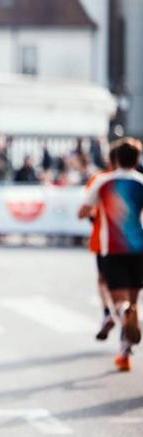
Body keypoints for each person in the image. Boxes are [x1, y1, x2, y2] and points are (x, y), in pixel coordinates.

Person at [79, 137, 143, 371]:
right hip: (138, 248)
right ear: (137, 159)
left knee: (118, 299)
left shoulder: (103, 182)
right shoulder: (141, 182)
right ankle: (125, 353)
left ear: (114, 159)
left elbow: (83, 211)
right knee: (134, 298)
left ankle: (123, 313)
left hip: (111, 248)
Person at [84, 147, 118, 341]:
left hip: (104, 240)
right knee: (130, 290)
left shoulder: (99, 180)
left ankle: (109, 313)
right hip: (134, 243)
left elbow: (87, 212)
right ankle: (125, 316)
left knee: (103, 281)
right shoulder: (138, 180)